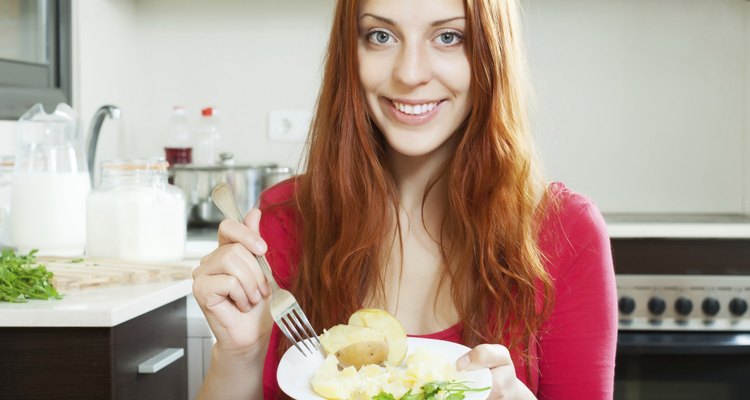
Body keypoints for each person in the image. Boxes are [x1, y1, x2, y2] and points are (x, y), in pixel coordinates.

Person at [192, 0, 617, 398]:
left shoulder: (567, 233)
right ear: (350, 54)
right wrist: (240, 355)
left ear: (491, 52)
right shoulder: (284, 220)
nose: (410, 73)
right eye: (381, 36)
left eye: (448, 37)